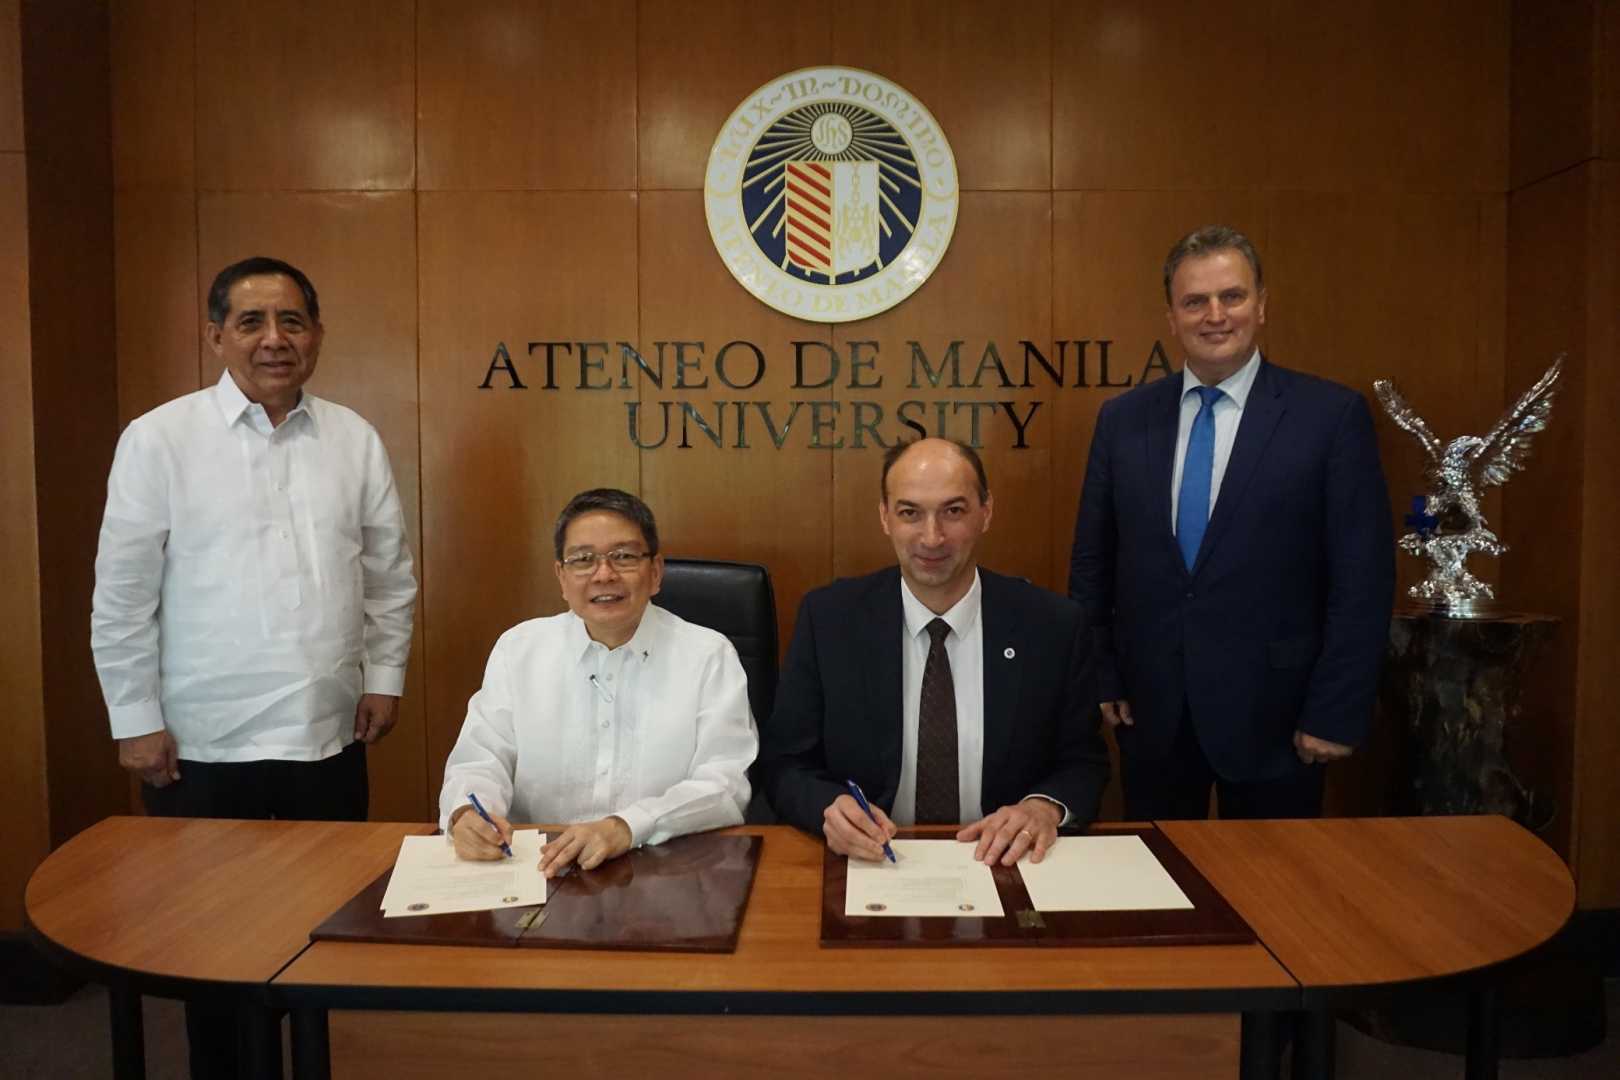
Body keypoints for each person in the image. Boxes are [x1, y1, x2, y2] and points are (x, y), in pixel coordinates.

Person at [90, 255, 418, 1076]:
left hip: (328, 732)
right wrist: (135, 720)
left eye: (292, 322)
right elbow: (122, 596)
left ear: (317, 335)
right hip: (200, 743)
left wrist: (386, 677)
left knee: (331, 931)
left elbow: (390, 575)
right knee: (212, 948)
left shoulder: (354, 437)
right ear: (215, 337)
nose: (275, 340)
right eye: (251, 322)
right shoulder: (159, 440)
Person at [1068, 224, 1394, 820]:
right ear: (1171, 315)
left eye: (1232, 296)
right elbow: (1095, 562)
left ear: (1262, 305)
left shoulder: (1330, 417)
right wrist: (1103, 676)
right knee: (1158, 894)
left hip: (1283, 718)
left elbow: (1362, 579)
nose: (1214, 315)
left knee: (1276, 898)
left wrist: (1335, 709)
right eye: (1195, 301)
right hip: (1152, 714)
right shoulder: (1124, 421)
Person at [758, 438, 1109, 865]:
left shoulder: (1052, 625)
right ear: (885, 517)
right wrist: (828, 808)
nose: (932, 536)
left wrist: (1043, 806)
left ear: (986, 512)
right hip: (872, 862)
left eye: (953, 511)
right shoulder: (830, 619)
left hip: (1004, 862)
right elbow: (784, 764)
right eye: (910, 513)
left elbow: (1083, 763)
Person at [441, 488, 757, 878]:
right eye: (583, 560)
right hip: (534, 870)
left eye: (623, 557)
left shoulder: (708, 655)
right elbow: (481, 758)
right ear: (561, 576)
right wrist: (468, 813)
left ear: (656, 572)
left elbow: (725, 786)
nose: (603, 574)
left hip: (664, 871)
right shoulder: (518, 650)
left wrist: (626, 826)